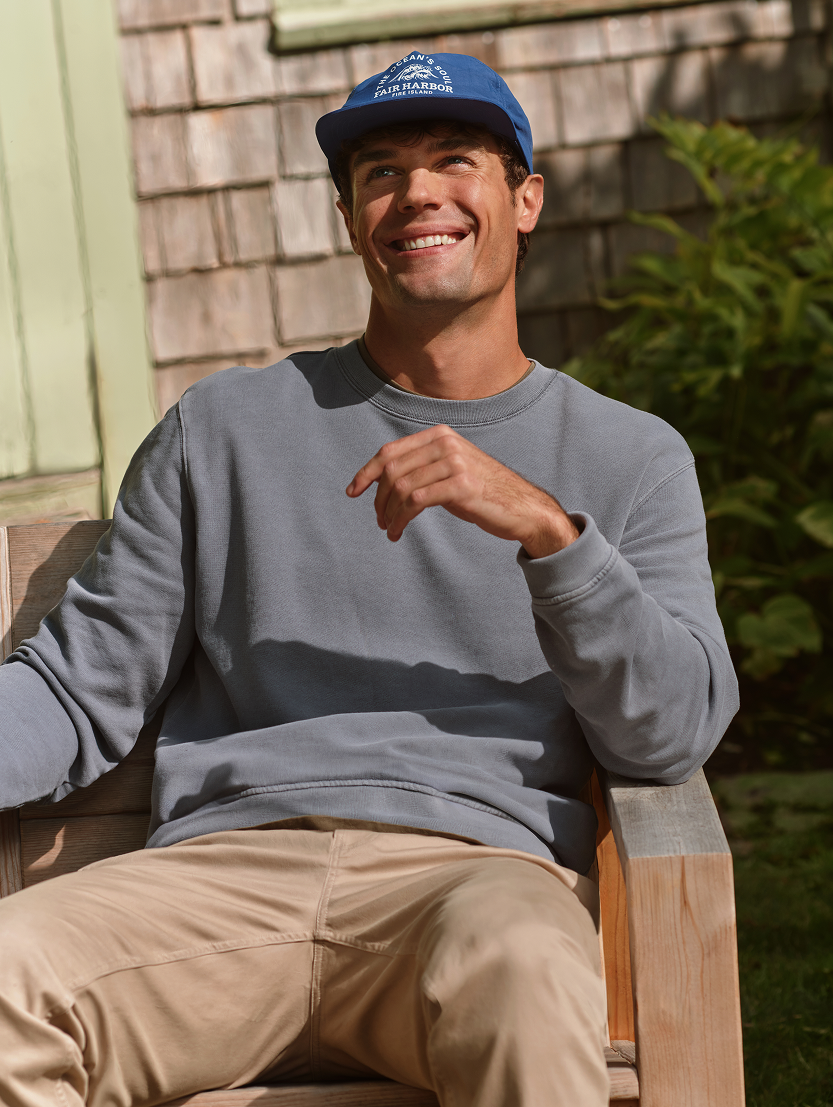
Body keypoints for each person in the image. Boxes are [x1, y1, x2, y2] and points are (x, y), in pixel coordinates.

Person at [0, 53, 738, 1107]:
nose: (417, 193)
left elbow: (668, 732)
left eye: (454, 160)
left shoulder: (631, 458)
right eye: (381, 173)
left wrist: (544, 531)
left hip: (472, 883)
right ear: (349, 216)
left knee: (528, 970)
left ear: (523, 199)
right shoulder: (224, 431)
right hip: (221, 885)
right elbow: (77, 692)